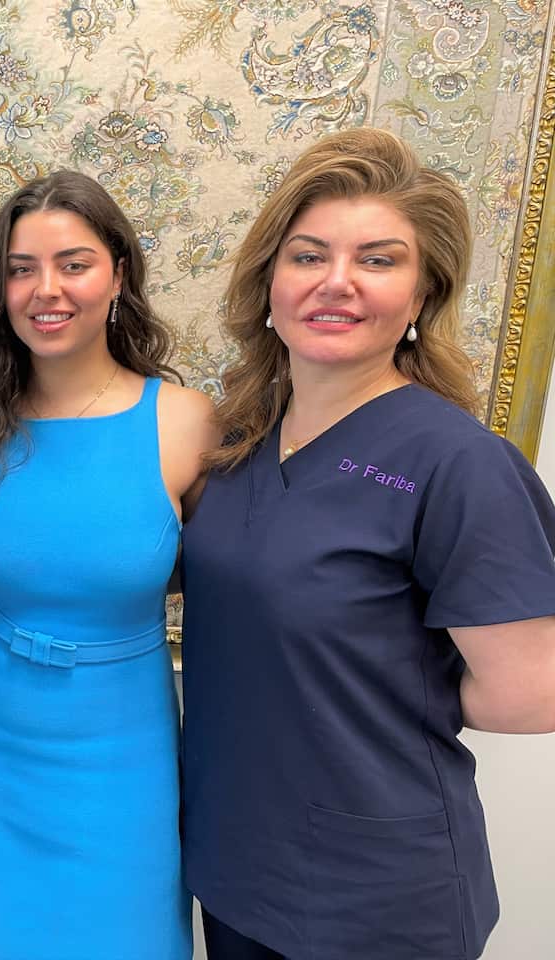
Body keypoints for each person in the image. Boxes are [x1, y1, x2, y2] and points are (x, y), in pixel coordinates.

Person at [180, 127, 555, 960]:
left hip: (376, 892)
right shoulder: (239, 443)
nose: (336, 283)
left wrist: (390, 698)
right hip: (239, 863)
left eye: (379, 260)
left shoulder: (458, 462)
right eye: (308, 256)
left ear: (422, 296)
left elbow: (533, 693)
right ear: (270, 284)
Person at [0, 170, 217, 959]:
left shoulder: (186, 423)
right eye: (20, 268)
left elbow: (226, 582)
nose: (47, 289)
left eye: (73, 263)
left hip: (122, 744)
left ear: (118, 275)